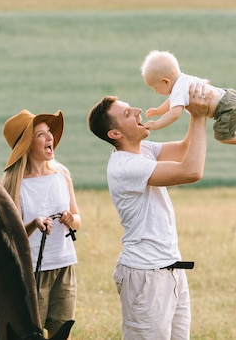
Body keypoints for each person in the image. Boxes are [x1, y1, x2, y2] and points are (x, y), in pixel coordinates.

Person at [87, 83, 210, 340]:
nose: (138, 110)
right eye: (127, 113)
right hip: (146, 276)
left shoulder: (144, 150)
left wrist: (191, 107)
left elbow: (187, 147)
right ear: (115, 134)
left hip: (171, 269)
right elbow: (191, 171)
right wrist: (198, 116)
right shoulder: (126, 166)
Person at [2, 109, 81, 339]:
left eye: (49, 133)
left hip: (64, 266)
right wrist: (34, 224)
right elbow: (11, 236)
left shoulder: (62, 174)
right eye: (40, 135)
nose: (50, 138)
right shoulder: (15, 183)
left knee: (61, 333)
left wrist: (70, 218)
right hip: (32, 271)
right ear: (27, 144)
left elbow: (78, 221)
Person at [141, 50, 236, 146]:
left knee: (223, 135)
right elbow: (172, 102)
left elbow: (174, 114)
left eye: (155, 88)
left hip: (223, 108)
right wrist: (158, 111)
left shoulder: (178, 90)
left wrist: (156, 124)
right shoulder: (184, 80)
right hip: (229, 96)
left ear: (166, 81)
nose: (156, 91)